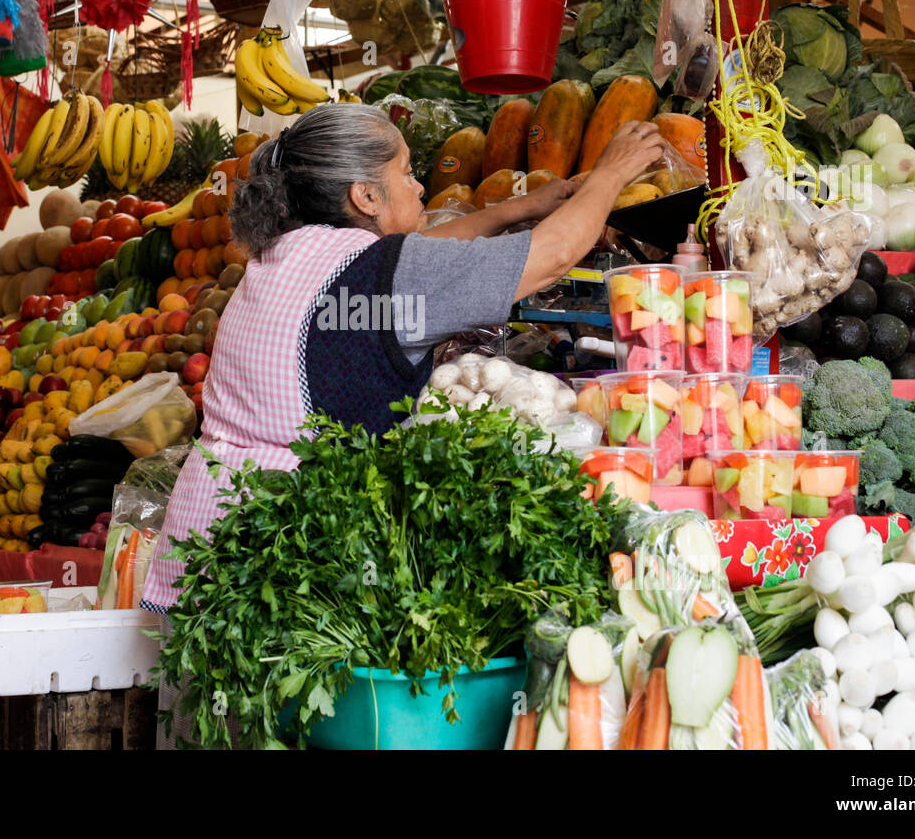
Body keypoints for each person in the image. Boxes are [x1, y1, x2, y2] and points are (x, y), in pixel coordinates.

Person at [141, 104, 665, 615]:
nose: (418, 186)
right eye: (407, 171)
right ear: (365, 196)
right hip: (284, 571)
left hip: (206, 553)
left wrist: (517, 209)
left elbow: (419, 256)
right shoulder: (379, 275)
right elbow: (551, 257)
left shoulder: (286, 257)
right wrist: (611, 172)